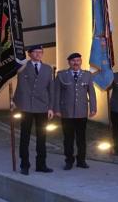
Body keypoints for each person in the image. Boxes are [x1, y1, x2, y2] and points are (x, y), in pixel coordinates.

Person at [12, 45, 54, 175]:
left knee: (42, 136)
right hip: (27, 106)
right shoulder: (22, 67)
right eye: (35, 52)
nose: (38, 54)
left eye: (40, 52)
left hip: (42, 106)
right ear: (29, 54)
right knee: (25, 136)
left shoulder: (48, 69)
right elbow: (18, 84)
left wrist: (51, 107)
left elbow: (51, 89)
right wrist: (15, 101)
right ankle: (24, 165)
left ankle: (41, 164)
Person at [53, 52, 97, 170]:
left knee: (81, 138)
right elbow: (56, 93)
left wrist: (93, 108)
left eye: (78, 60)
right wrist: (56, 109)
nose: (76, 63)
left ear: (81, 62)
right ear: (69, 62)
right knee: (68, 138)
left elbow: (91, 93)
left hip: (81, 112)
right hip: (66, 112)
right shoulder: (62, 75)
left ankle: (81, 160)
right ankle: (69, 161)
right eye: (73, 61)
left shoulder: (87, 75)